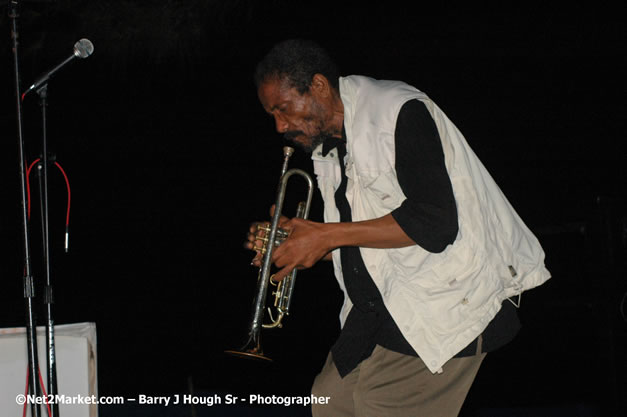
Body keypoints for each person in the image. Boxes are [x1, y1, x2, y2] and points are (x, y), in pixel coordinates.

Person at [247, 39, 550, 417]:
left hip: (444, 301)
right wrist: (306, 242)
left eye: (284, 109)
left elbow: (435, 223)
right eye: (271, 115)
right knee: (329, 402)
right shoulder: (328, 148)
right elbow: (366, 239)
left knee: (377, 405)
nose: (279, 126)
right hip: (380, 310)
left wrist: (325, 235)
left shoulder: (397, 112)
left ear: (320, 86)